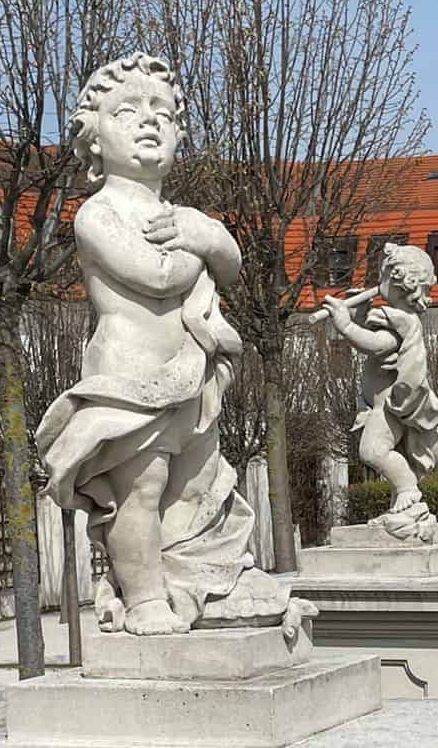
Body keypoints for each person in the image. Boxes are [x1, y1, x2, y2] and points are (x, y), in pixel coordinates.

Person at [36, 53, 290, 635]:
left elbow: (233, 265)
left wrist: (209, 234)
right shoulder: (96, 214)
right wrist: (205, 239)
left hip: (191, 378)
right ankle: (146, 597)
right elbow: (156, 275)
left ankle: (204, 577)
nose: (149, 121)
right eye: (127, 112)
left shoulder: (181, 215)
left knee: (197, 487)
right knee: (140, 489)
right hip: (130, 377)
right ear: (94, 139)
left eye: (163, 113)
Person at [320, 242, 438, 543]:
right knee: (390, 454)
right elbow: (374, 337)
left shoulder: (399, 324)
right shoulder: (390, 319)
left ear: (397, 284)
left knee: (372, 451)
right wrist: (361, 314)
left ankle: (406, 490)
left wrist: (345, 326)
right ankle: (403, 508)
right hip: (382, 406)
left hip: (387, 408)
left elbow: (375, 344)